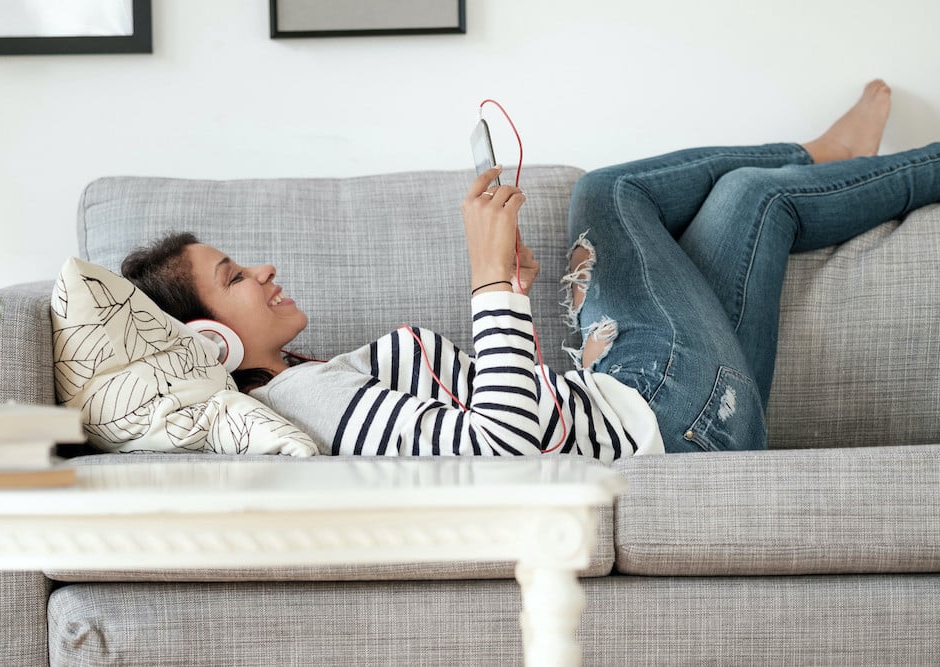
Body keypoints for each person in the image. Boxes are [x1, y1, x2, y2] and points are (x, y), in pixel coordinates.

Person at [121, 79, 940, 459]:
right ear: (211, 344)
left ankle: (825, 158)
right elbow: (506, 448)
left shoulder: (308, 378)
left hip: (652, 403)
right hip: (669, 418)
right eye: (232, 278)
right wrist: (486, 284)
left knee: (749, 203)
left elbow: (513, 417)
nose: (261, 270)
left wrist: (510, 288)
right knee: (614, 191)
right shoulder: (312, 404)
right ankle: (831, 153)